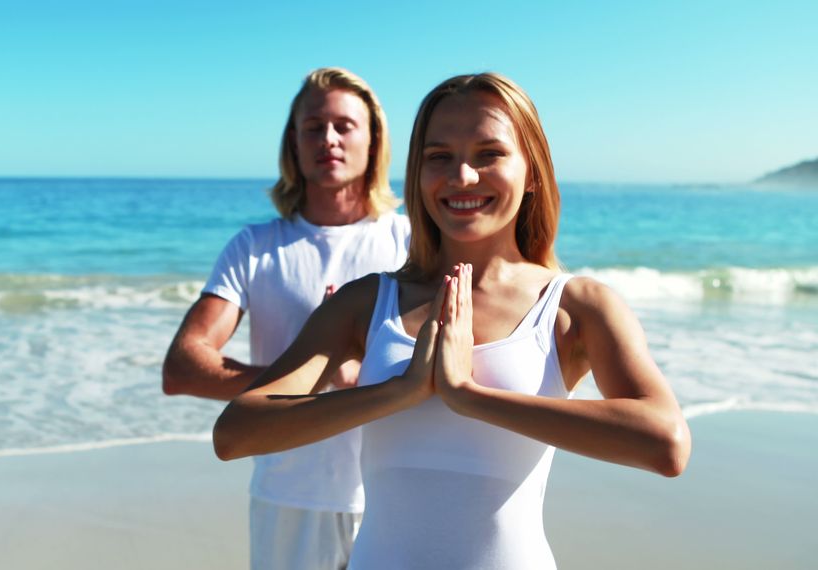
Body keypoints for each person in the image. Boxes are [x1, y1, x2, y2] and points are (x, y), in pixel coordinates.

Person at [213, 72, 692, 569]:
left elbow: (665, 443)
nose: (462, 177)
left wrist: (470, 396)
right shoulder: (367, 302)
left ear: (532, 172)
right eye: (439, 157)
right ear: (417, 175)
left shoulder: (575, 305)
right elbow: (236, 434)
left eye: (489, 154)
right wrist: (396, 393)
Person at [162, 67, 410, 569]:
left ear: (374, 140)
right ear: (293, 143)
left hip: (397, 493)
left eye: (344, 125)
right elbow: (183, 367)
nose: (329, 139)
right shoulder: (255, 247)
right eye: (313, 126)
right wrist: (309, 380)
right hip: (289, 494)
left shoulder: (410, 244)